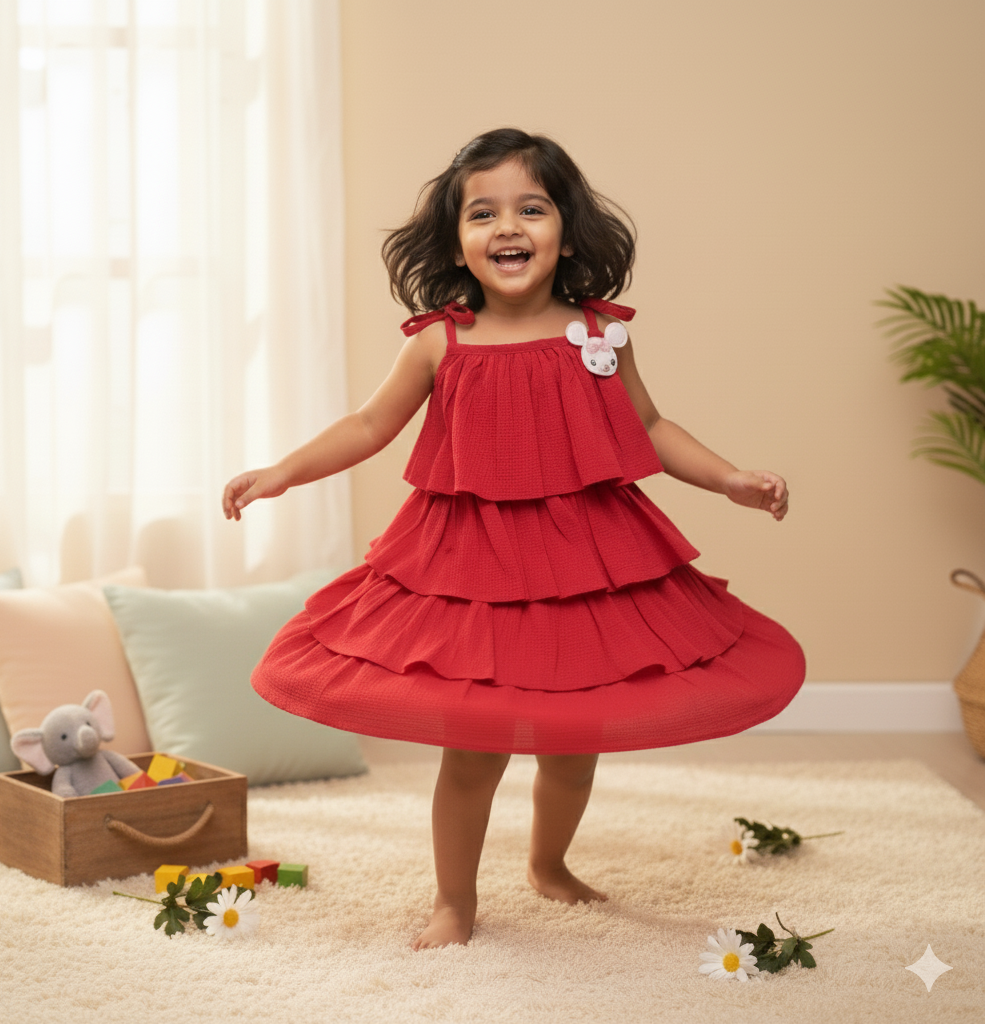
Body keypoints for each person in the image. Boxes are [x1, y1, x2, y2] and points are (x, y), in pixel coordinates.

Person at [222, 128, 805, 951]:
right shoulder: (441, 340)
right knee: (473, 754)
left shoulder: (600, 332)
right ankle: (453, 902)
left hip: (584, 565)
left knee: (573, 747)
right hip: (475, 570)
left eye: (531, 208)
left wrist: (731, 479)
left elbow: (649, 426)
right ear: (456, 242)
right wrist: (283, 471)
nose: (507, 227)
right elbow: (368, 424)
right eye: (482, 213)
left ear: (566, 228)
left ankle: (548, 863)